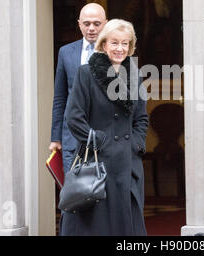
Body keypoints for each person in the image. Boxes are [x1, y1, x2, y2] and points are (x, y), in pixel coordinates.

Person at [60, 19, 149, 236]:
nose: (120, 48)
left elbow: (141, 119)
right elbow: (74, 118)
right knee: (97, 227)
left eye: (125, 44)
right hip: (98, 163)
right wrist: (100, 141)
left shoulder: (135, 75)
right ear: (103, 44)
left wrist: (135, 145)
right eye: (115, 43)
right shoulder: (86, 74)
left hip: (128, 164)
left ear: (130, 47)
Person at [49, 3, 107, 174]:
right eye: (86, 23)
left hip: (103, 136)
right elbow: (60, 97)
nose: (91, 28)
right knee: (75, 195)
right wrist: (56, 137)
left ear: (105, 24)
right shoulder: (66, 52)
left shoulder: (114, 52)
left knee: (102, 195)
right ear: (79, 24)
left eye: (96, 24)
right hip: (71, 137)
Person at [124, 0, 182, 69]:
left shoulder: (169, 0)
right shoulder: (140, 0)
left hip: (168, 50)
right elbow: (130, 23)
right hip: (148, 49)